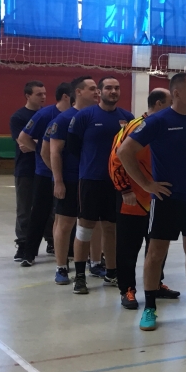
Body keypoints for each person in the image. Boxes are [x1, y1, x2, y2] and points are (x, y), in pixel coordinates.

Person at [118, 73, 186, 331]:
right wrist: (146, 184)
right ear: (176, 94)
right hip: (166, 200)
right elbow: (124, 151)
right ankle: (150, 307)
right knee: (156, 254)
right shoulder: (158, 121)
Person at [109, 88, 179, 309]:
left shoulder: (168, 126)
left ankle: (155, 284)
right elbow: (115, 160)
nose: (174, 106)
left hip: (160, 198)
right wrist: (125, 190)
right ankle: (127, 289)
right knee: (128, 247)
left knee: (158, 245)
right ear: (159, 104)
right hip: (134, 199)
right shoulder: (135, 127)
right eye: (171, 101)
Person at [67, 76, 133, 291]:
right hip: (91, 180)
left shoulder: (127, 118)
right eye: (108, 88)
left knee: (111, 228)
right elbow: (73, 147)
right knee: (85, 228)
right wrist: (91, 163)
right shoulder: (85, 116)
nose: (113, 91)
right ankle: (80, 276)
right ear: (100, 92)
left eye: (117, 88)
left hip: (117, 183)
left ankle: (112, 273)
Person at [44, 76, 99, 288]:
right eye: (92, 88)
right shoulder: (63, 119)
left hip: (92, 180)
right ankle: (61, 267)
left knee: (94, 222)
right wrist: (58, 180)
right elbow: (51, 152)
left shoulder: (97, 116)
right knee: (65, 223)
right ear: (78, 92)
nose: (97, 92)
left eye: (97, 88)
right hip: (69, 179)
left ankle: (95, 262)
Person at [16, 82, 71, 267]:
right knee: (39, 213)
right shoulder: (45, 115)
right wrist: (41, 151)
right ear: (67, 96)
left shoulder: (78, 115)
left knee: (66, 214)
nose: (43, 97)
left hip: (69, 174)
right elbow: (23, 138)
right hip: (45, 173)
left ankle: (68, 250)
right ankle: (29, 253)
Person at [10, 80, 47, 259]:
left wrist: (35, 143)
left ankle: (51, 240)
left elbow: (48, 141)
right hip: (25, 169)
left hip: (45, 168)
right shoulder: (18, 117)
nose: (43, 97)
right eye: (39, 94)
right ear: (28, 96)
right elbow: (22, 142)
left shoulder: (47, 115)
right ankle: (23, 244)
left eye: (44, 93)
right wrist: (41, 144)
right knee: (24, 208)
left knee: (49, 208)